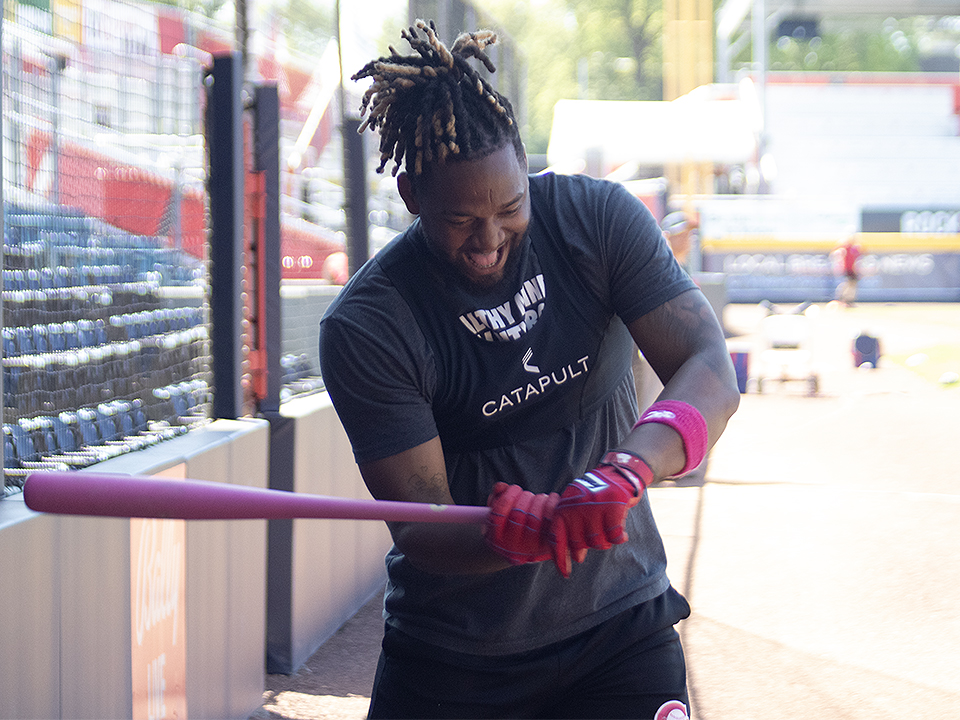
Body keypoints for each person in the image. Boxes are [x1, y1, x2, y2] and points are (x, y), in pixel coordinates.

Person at [319, 20, 740, 720]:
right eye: (459, 220)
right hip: (455, 657)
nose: (488, 240)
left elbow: (709, 368)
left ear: (523, 161)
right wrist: (514, 532)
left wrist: (629, 469)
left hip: (618, 626)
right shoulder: (369, 324)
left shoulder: (596, 221)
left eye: (510, 208)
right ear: (410, 194)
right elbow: (423, 524)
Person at [834, 236, 862, 306]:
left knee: (850, 284)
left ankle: (845, 298)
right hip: (849, 269)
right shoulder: (848, 249)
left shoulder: (848, 248)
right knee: (850, 284)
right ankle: (846, 298)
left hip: (849, 269)